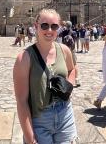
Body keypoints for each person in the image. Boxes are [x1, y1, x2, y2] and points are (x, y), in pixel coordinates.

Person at [13, 9, 77, 143]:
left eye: (54, 26)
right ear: (36, 26)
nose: (49, 30)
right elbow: (22, 101)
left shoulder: (64, 50)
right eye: (44, 25)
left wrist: (69, 86)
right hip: (39, 119)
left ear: (58, 28)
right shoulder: (24, 58)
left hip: (65, 114)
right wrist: (30, 137)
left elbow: (72, 69)